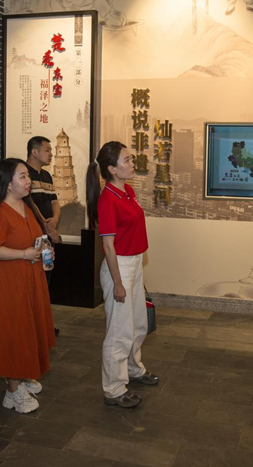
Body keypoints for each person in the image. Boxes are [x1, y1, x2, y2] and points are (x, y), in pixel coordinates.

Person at [0, 158, 56, 413]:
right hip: (8, 281)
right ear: (7, 183)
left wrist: (45, 250)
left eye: (27, 176)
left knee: (29, 327)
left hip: (30, 278)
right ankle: (12, 392)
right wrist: (24, 254)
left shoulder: (26, 206)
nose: (28, 181)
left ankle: (22, 375)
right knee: (13, 331)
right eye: (22, 176)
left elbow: (35, 239)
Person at [86, 141, 158, 409]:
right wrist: (118, 282)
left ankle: (133, 368)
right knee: (119, 331)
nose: (132, 163)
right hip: (120, 267)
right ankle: (114, 388)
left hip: (134, 263)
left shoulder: (127, 191)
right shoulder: (107, 200)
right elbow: (108, 246)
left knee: (138, 324)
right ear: (112, 169)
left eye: (131, 158)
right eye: (126, 160)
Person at [26, 135, 61, 337]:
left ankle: (44, 325)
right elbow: (29, 203)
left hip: (47, 237)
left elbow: (54, 202)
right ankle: (32, 325)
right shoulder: (24, 173)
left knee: (46, 278)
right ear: (35, 151)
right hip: (33, 238)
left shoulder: (47, 176)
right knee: (33, 282)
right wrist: (47, 227)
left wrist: (54, 220)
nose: (51, 154)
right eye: (47, 150)